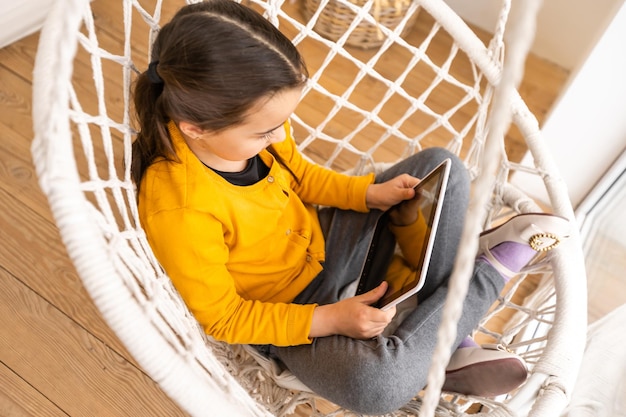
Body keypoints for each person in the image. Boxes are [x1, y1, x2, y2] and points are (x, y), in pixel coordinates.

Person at [131, 0, 571, 414]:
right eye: (266, 132)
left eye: (283, 124)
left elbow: (302, 175)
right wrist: (329, 319)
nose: (281, 138)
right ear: (196, 129)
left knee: (444, 167)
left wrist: (366, 195)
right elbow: (225, 317)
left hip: (322, 239)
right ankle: (490, 268)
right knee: (378, 388)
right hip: (287, 314)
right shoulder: (180, 207)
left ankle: (442, 340)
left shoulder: (254, 129)